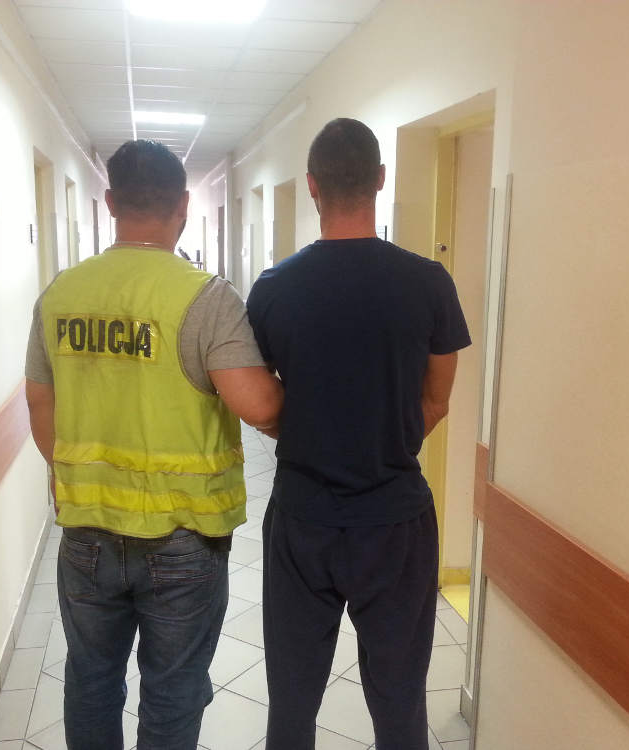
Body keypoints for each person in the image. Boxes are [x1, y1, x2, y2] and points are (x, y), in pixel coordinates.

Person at [25, 139, 284, 750]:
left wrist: (77, 478)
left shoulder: (61, 294)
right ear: (183, 206)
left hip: (87, 532)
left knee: (90, 681)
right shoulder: (206, 297)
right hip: (182, 536)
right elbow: (260, 407)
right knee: (171, 690)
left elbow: (40, 404)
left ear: (111, 202)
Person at [246, 118, 471, 750]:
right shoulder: (428, 283)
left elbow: (259, 401)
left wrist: (312, 433)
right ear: (380, 178)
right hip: (395, 523)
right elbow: (437, 400)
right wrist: (383, 439)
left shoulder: (274, 288)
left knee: (292, 701)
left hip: (303, 520)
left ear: (312, 186)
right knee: (400, 703)